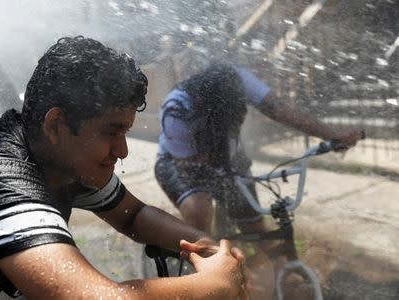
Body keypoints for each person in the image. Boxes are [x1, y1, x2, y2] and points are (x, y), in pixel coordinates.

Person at [0, 37, 250, 300]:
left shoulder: (56, 155)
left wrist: (205, 246)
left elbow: (135, 217)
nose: (123, 151)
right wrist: (215, 284)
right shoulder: (2, 183)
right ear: (56, 125)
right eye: (111, 132)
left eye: (125, 134)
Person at [155, 62, 363, 251]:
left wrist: (334, 136)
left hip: (226, 155)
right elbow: (193, 168)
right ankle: (198, 277)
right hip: (177, 162)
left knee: (256, 231)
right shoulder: (177, 111)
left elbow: (281, 111)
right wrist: (225, 185)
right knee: (200, 216)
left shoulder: (238, 79)